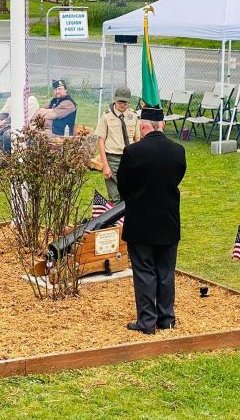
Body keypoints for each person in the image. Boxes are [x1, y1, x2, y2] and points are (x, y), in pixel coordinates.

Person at [117, 107, 186, 335]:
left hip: (141, 220)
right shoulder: (178, 151)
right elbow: (177, 177)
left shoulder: (133, 152)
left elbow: (123, 186)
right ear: (162, 125)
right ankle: (166, 319)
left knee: (145, 270)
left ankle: (147, 321)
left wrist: (137, 198)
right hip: (168, 219)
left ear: (143, 126)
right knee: (166, 270)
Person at [94, 86, 141, 204]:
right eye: (120, 101)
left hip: (129, 158)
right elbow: (101, 141)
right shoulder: (106, 116)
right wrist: (105, 165)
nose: (122, 105)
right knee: (115, 197)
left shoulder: (133, 116)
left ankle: (127, 221)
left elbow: (137, 139)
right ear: (114, 99)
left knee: (129, 194)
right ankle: (116, 221)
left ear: (129, 101)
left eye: (125, 102)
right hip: (113, 158)